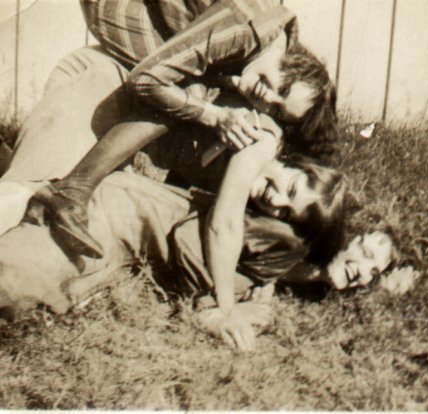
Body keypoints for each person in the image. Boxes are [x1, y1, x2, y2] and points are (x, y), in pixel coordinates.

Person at [27, 0, 340, 260]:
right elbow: (147, 81)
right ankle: (72, 190)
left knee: (193, 90)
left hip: (155, 19)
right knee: (184, 90)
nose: (266, 99)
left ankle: (70, 190)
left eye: (276, 109)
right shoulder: (244, 28)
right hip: (116, 5)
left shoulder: (279, 40)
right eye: (282, 89)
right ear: (293, 61)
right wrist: (215, 117)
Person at [0, 171, 397, 350]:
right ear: (344, 236)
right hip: (119, 214)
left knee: (35, 304)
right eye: (365, 251)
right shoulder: (291, 236)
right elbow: (191, 241)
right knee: (12, 281)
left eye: (373, 271)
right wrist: (218, 306)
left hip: (127, 252)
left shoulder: (308, 279)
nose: (363, 271)